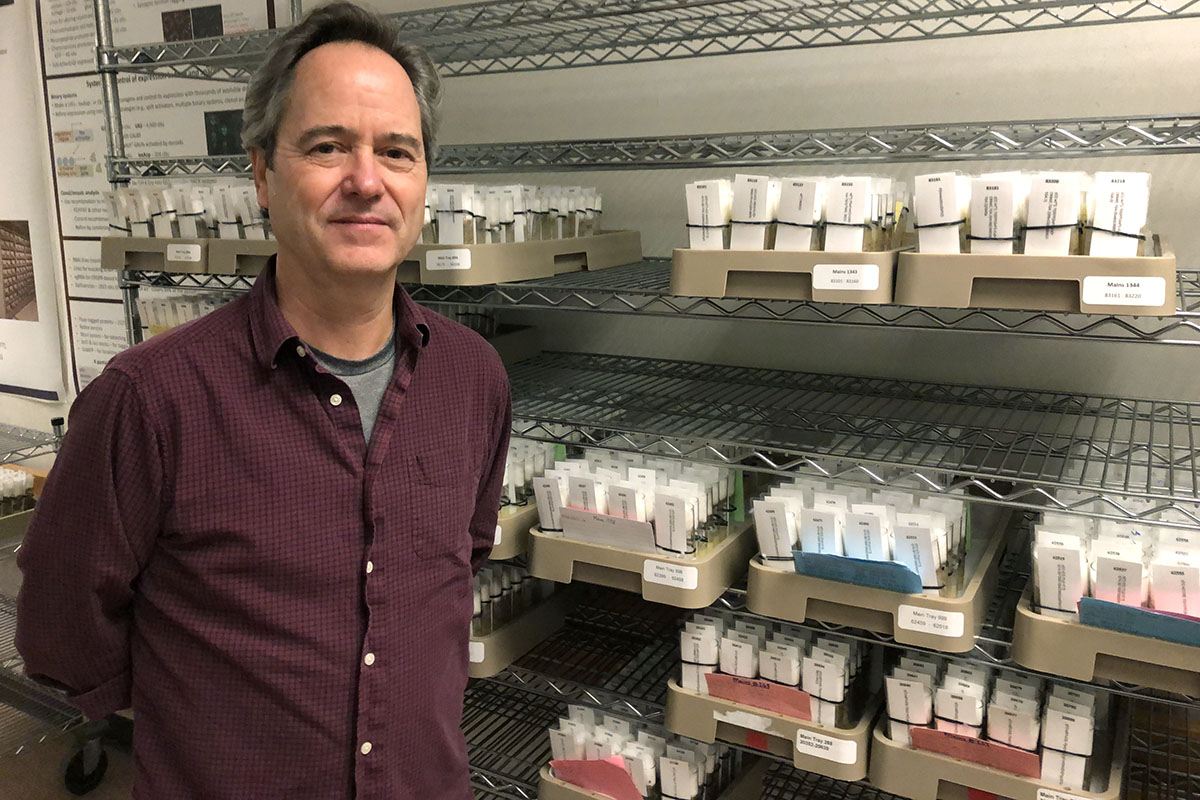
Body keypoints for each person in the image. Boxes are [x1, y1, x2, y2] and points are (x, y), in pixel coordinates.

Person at [16, 3, 510, 798]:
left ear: (423, 180)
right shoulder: (151, 400)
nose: (365, 180)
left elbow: (467, 558)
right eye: (327, 147)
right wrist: (203, 724)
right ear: (261, 175)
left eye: (396, 151)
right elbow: (64, 625)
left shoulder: (474, 378)